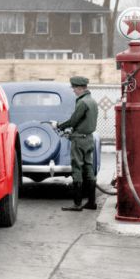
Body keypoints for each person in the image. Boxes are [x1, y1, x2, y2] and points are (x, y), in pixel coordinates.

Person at [52, 76, 99, 212]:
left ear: (79, 88)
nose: (73, 91)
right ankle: (91, 202)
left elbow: (73, 120)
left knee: (77, 168)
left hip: (79, 140)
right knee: (89, 168)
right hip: (89, 138)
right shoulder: (93, 101)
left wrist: (59, 126)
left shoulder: (82, 102)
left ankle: (77, 204)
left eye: (74, 88)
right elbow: (83, 122)